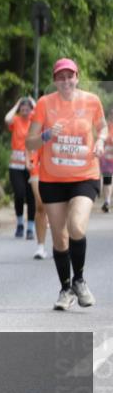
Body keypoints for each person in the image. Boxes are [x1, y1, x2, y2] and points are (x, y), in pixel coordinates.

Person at [26, 58, 108, 311]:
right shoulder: (44, 104)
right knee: (60, 239)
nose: (65, 81)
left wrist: (101, 141)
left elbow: (102, 127)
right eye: (60, 77)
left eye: (69, 76)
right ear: (54, 80)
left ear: (77, 77)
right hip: (52, 179)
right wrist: (48, 135)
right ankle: (65, 289)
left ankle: (80, 280)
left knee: (76, 227)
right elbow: (30, 143)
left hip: (85, 175)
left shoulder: (92, 101)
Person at [4, 97, 37, 239]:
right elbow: (7, 119)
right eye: (22, 108)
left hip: (32, 164)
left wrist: (34, 102)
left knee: (31, 197)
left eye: (27, 108)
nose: (24, 110)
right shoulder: (16, 120)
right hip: (16, 165)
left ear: (31, 110)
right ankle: (19, 224)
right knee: (19, 194)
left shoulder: (34, 121)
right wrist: (17, 103)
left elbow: (44, 115)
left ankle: (30, 228)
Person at [27, 147, 50, 260]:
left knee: (61, 206)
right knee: (40, 205)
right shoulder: (35, 128)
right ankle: (40, 247)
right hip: (37, 163)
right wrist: (28, 159)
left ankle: (60, 245)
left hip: (57, 164)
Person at [102, 106, 113, 213]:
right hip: (107, 161)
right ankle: (107, 202)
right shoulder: (106, 127)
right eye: (111, 114)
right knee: (107, 180)